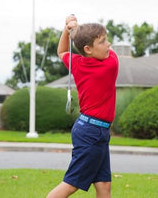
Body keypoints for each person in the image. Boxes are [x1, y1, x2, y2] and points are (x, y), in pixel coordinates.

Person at [47, 15, 119, 198]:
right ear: (87, 49)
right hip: (92, 132)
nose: (109, 45)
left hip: (93, 131)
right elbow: (110, 55)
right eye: (103, 41)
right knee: (71, 184)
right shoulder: (110, 64)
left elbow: (62, 51)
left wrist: (68, 29)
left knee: (103, 185)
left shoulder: (78, 63)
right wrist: (76, 29)